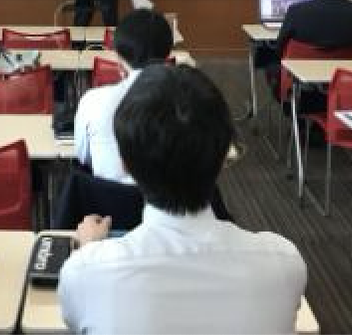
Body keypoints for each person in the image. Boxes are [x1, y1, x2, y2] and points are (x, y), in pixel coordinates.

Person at [59, 65, 306, 333]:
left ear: (125, 164)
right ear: (225, 157)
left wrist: (89, 250)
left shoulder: (83, 272)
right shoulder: (284, 263)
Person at [74, 9, 173, 183]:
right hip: (170, 198)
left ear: (118, 58)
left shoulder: (92, 101)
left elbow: (83, 157)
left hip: (107, 197)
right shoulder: (188, 102)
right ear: (168, 56)